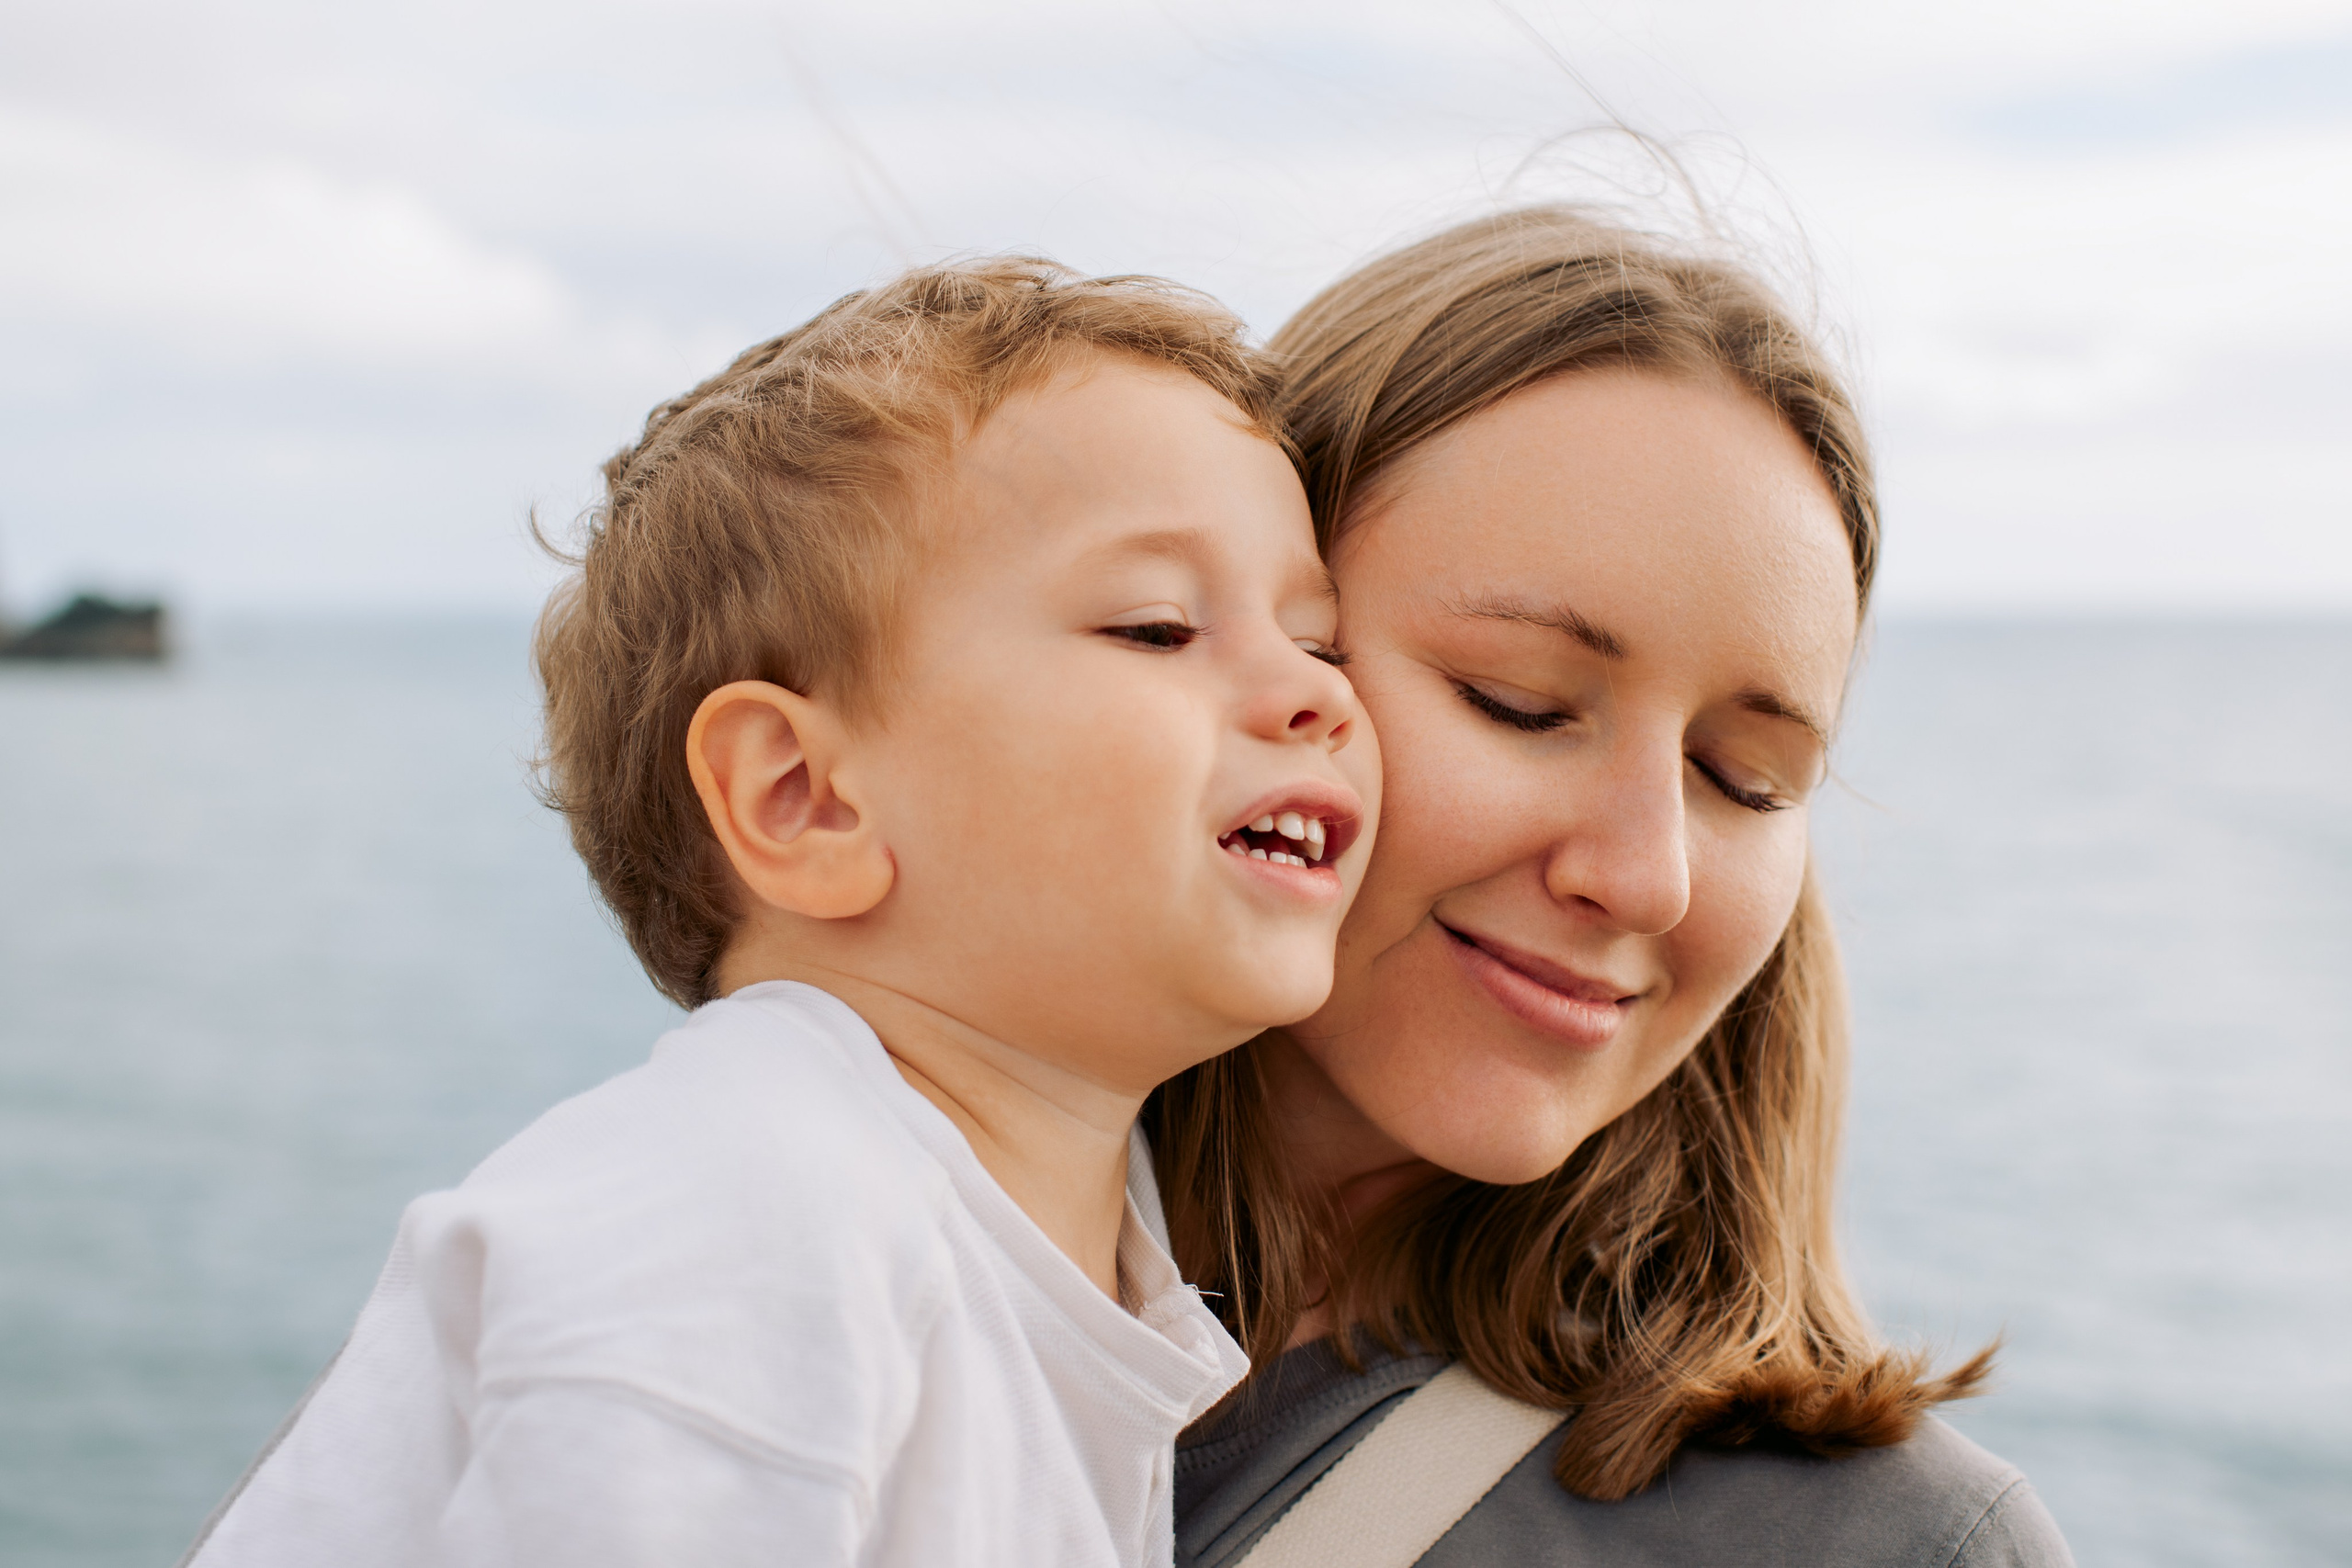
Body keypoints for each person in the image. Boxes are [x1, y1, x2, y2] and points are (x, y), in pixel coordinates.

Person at [180, 257, 1381, 1568]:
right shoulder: (747, 1211)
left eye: (1321, 641)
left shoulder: (1027, 1246)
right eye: (1156, 627)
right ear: (804, 798)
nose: (1323, 696)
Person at [1150, 208, 2075, 1566]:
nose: (1647, 878)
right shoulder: (846, 1263)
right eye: (1518, 702)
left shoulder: (1882, 1549)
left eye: (1746, 782)